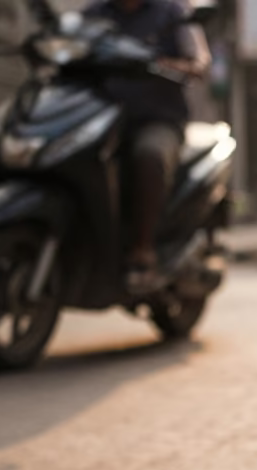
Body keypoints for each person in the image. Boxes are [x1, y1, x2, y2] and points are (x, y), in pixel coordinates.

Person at [84, 0, 210, 294]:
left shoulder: (173, 13)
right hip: (99, 120)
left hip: (156, 120)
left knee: (150, 155)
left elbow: (200, 62)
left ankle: (143, 249)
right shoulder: (95, 13)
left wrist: (168, 65)